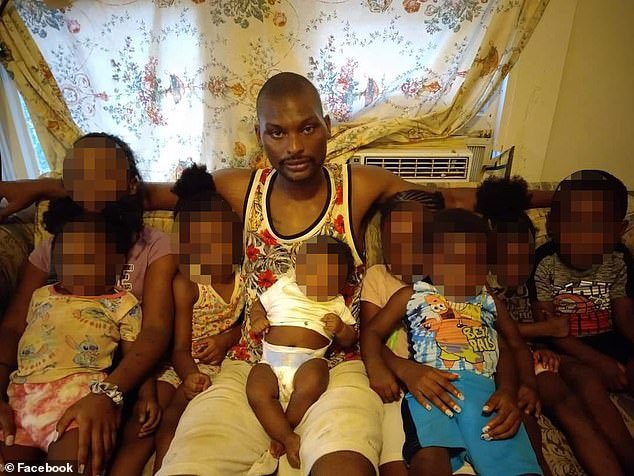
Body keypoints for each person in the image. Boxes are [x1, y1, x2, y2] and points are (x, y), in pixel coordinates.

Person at [0, 73, 553, 476]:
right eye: (278, 133)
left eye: (307, 128)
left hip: (338, 363)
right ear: (260, 134)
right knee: (191, 462)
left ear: (327, 127)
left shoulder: (357, 184)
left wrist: (559, 197)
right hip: (250, 361)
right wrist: (45, 186)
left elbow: (450, 197)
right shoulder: (242, 187)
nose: (295, 147)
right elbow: (143, 192)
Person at [0, 133, 176, 476]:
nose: (89, 187)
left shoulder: (153, 245)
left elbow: (155, 330)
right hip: (36, 384)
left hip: (120, 373)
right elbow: (12, 326)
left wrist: (108, 394)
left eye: (102, 174)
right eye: (77, 177)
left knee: (81, 457)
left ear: (130, 184)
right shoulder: (52, 248)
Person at [362, 208, 542, 476]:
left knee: (517, 466)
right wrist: (376, 366)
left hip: (486, 396)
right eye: (452, 260)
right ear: (428, 261)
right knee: (429, 461)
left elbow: (512, 345)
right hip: (432, 392)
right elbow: (371, 331)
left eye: (475, 262)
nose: (464, 271)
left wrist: (519, 387)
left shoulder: (488, 301)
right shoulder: (412, 295)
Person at [477, 176, 629, 476]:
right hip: (502, 360)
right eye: (506, 258)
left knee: (582, 383)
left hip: (537, 356)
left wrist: (543, 343)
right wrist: (544, 332)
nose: (516, 266)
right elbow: (493, 328)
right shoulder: (481, 284)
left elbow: (545, 321)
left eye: (524, 257)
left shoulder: (534, 275)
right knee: (540, 405)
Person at [0, 197, 142, 475]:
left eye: (88, 259)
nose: (77, 267)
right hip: (21, 402)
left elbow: (135, 354)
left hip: (79, 403)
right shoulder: (40, 296)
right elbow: (13, 331)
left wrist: (146, 395)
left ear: (116, 264)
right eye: (67, 259)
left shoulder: (122, 303)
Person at [529, 169, 634, 472]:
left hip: (612, 342)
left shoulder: (619, 258)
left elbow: (625, 316)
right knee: (587, 380)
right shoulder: (545, 262)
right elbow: (550, 327)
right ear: (553, 225)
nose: (582, 237)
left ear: (618, 230)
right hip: (567, 350)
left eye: (596, 228)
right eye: (572, 224)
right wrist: (599, 362)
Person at [152, 164, 244, 472]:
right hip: (183, 367)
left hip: (227, 366)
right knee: (161, 415)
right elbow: (179, 348)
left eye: (218, 241)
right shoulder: (187, 285)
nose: (210, 253)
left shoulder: (245, 278)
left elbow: (250, 325)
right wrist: (190, 375)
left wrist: (227, 339)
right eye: (198, 246)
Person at [247, 235, 357, 470]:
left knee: (317, 375)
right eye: (312, 271)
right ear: (299, 268)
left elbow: (351, 339)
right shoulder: (284, 287)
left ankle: (283, 429)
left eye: (329, 278)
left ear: (341, 283)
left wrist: (341, 329)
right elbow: (259, 305)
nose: (319, 280)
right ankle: (288, 438)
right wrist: (257, 319)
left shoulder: (337, 304)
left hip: (308, 363)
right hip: (270, 362)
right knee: (256, 390)